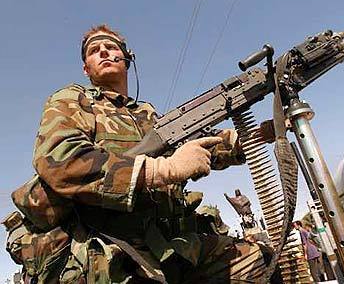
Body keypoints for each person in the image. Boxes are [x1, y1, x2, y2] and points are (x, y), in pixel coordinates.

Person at [7, 24, 280, 283]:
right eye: (94, 50)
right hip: (112, 254)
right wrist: (164, 170)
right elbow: (61, 161)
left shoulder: (147, 115)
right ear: (86, 68)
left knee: (262, 262)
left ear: (127, 58)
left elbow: (199, 144)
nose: (103, 51)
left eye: (111, 47)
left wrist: (260, 135)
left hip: (174, 247)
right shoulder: (73, 100)